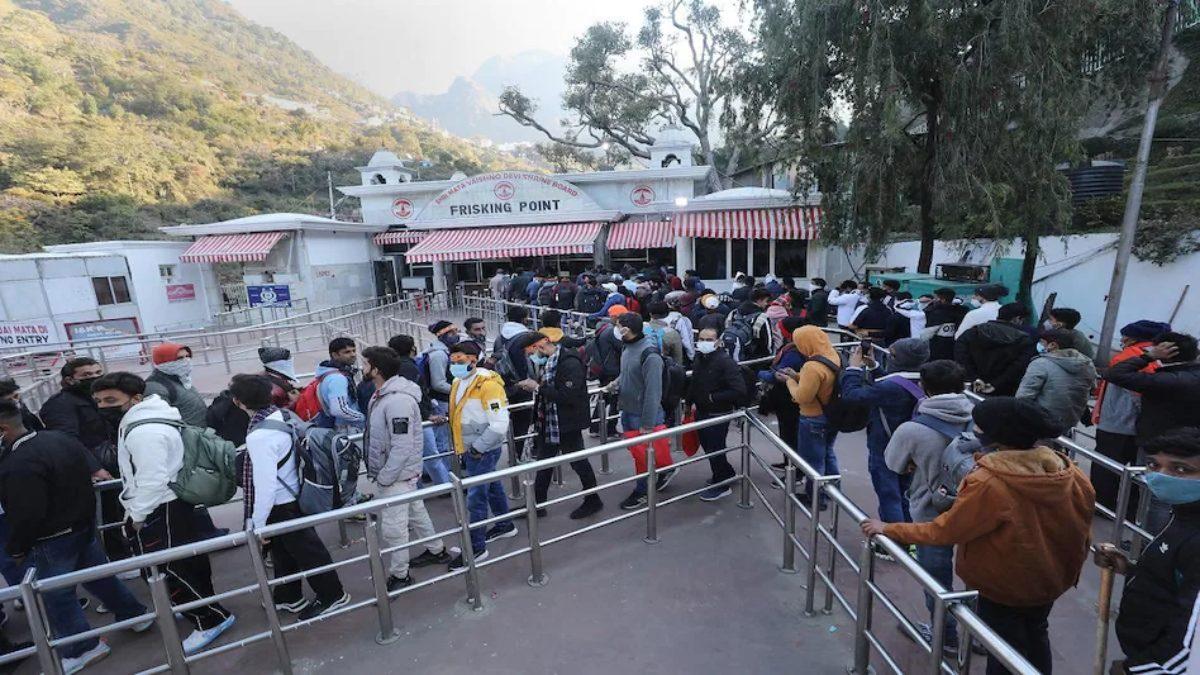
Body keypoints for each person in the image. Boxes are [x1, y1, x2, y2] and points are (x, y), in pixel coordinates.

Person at [862, 397, 1095, 675]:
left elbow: (946, 530)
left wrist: (889, 528)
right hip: (1052, 577)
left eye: (980, 428)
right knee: (1035, 635)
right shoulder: (1069, 472)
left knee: (1003, 650)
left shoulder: (990, 482)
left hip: (1004, 583)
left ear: (997, 436)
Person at [0, 400, 151, 673]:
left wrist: (17, 547)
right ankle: (134, 614)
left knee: (55, 596)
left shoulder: (17, 463)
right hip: (81, 526)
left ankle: (82, 648)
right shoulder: (55, 439)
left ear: (3, 428)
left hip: (49, 539)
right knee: (99, 577)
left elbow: (27, 513)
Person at [94, 372, 237, 654]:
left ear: (135, 399)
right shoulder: (147, 418)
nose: (102, 406)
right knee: (187, 564)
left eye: (111, 400)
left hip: (158, 508)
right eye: (98, 400)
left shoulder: (144, 432)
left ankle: (209, 619)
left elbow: (151, 479)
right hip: (170, 505)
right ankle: (202, 606)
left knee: (168, 570)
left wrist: (136, 516)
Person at [230, 374, 350, 620]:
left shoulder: (258, 436)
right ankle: (288, 595)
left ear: (238, 402)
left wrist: (258, 525)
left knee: (308, 552)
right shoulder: (281, 416)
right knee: (285, 550)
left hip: (282, 503)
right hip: (296, 492)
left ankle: (333, 595)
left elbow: (265, 485)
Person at [882, 360, 975, 651]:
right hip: (978, 506)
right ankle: (984, 636)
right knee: (981, 573)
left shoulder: (913, 428)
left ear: (925, 386)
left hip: (932, 509)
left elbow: (893, 464)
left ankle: (945, 636)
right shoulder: (983, 417)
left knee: (936, 577)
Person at [1093, 428, 1200, 675]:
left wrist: (1139, 670)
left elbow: (1192, 644)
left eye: (1181, 469)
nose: (1162, 476)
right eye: (1153, 465)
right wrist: (1128, 569)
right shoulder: (1184, 512)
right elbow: (1178, 580)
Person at [361, 347, 449, 591]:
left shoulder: (396, 400)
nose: (362, 368)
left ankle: (399, 575)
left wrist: (385, 478)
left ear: (376, 369)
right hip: (399, 473)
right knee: (416, 514)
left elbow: (402, 444)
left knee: (394, 527)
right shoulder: (383, 394)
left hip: (396, 475)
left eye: (365, 364)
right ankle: (437, 549)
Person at [1104, 331, 1200, 534]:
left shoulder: (1168, 380)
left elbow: (1115, 374)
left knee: (1157, 499)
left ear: (1167, 352)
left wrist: (1148, 356)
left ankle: (1148, 544)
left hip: (1161, 446)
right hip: (1192, 446)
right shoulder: (1192, 375)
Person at [840, 338, 931, 531]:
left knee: (889, 494)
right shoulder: (925, 379)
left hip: (885, 446)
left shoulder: (890, 388)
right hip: (912, 447)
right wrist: (874, 367)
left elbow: (852, 396)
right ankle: (908, 533)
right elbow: (896, 382)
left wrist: (854, 369)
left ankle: (893, 541)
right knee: (906, 492)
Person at [513, 332, 603, 519]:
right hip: (550, 421)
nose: (531, 355)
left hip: (567, 422)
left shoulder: (569, 362)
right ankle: (538, 504)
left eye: (532, 350)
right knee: (545, 462)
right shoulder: (549, 362)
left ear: (543, 343)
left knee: (578, 461)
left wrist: (537, 387)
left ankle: (593, 500)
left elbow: (567, 395)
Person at [446, 342, 516, 568]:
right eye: (453, 361)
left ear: (473, 360)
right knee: (491, 485)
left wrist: (477, 448)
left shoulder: (489, 386)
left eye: (460, 361)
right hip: (470, 447)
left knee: (476, 498)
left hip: (481, 449)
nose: (454, 365)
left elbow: (499, 424)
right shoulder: (459, 381)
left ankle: (476, 548)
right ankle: (505, 525)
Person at [1090, 320, 1171, 515]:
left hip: (1118, 423)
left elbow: (1136, 395)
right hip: (1138, 427)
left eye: (1125, 335)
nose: (1122, 339)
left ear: (1134, 338)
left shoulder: (1130, 356)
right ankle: (1131, 511)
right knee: (1137, 472)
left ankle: (1103, 507)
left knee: (1106, 470)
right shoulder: (1159, 357)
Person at [610, 312, 676, 510]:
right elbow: (626, 373)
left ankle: (643, 491)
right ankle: (662, 472)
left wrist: (647, 423)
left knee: (644, 455)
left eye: (618, 324)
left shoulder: (650, 354)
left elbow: (653, 392)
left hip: (644, 415)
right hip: (628, 409)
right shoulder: (627, 346)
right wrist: (614, 384)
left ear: (626, 329)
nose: (615, 327)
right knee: (639, 453)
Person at [686, 327, 747, 502]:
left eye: (709, 339)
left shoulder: (725, 362)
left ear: (718, 342)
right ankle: (726, 472)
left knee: (715, 448)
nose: (704, 343)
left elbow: (739, 389)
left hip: (718, 413)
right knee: (709, 447)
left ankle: (722, 484)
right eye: (702, 339)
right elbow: (695, 381)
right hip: (702, 411)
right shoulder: (700, 358)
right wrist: (689, 402)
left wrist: (713, 397)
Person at [783, 326, 843, 504]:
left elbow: (802, 396)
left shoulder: (812, 366)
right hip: (832, 414)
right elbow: (822, 382)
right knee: (828, 453)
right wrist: (799, 376)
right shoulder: (833, 355)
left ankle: (816, 498)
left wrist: (790, 381)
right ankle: (833, 491)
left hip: (813, 418)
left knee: (813, 461)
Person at [387, 334, 451, 487]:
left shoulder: (394, 367)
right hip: (418, 419)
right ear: (411, 349)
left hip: (406, 418)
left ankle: (420, 489)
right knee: (431, 456)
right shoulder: (409, 367)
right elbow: (415, 395)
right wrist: (428, 414)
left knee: (413, 459)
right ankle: (445, 486)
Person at [208, 347, 298, 446]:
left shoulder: (263, 377)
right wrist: (294, 402)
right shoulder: (271, 389)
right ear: (281, 364)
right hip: (242, 432)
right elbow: (270, 413)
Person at [1015, 328, 1098, 435]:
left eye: (1042, 342)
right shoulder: (1087, 365)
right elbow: (1090, 390)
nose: (1039, 345)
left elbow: (1024, 397)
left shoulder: (1041, 364)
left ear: (1053, 345)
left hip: (1038, 423)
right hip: (1068, 423)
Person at [954, 302, 1037, 397]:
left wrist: (974, 378)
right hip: (1007, 390)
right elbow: (1019, 366)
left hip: (974, 388)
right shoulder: (1024, 340)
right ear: (1017, 319)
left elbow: (961, 356)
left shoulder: (972, 333)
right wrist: (996, 383)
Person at [144, 343, 206, 426]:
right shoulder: (155, 387)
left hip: (200, 433)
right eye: (180, 358)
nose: (186, 361)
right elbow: (162, 422)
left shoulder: (181, 378)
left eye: (188, 356)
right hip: (188, 436)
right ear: (164, 361)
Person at [313, 337, 365, 432]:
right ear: (335, 355)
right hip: (347, 429)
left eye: (354, 351)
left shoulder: (334, 373)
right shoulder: (337, 378)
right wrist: (362, 418)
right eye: (347, 352)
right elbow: (339, 409)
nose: (353, 355)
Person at [725, 288, 775, 360]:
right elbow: (768, 344)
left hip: (732, 356)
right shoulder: (762, 318)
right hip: (754, 361)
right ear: (759, 300)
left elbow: (727, 329)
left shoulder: (733, 313)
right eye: (766, 301)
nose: (767, 304)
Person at [924, 288, 968, 361]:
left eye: (936, 297)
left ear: (943, 300)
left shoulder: (935, 312)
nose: (934, 299)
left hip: (937, 346)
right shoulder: (961, 310)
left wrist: (932, 304)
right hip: (954, 345)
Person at [664, 295, 696, 363]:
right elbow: (687, 340)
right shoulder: (683, 320)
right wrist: (692, 357)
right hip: (677, 355)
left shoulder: (660, 320)